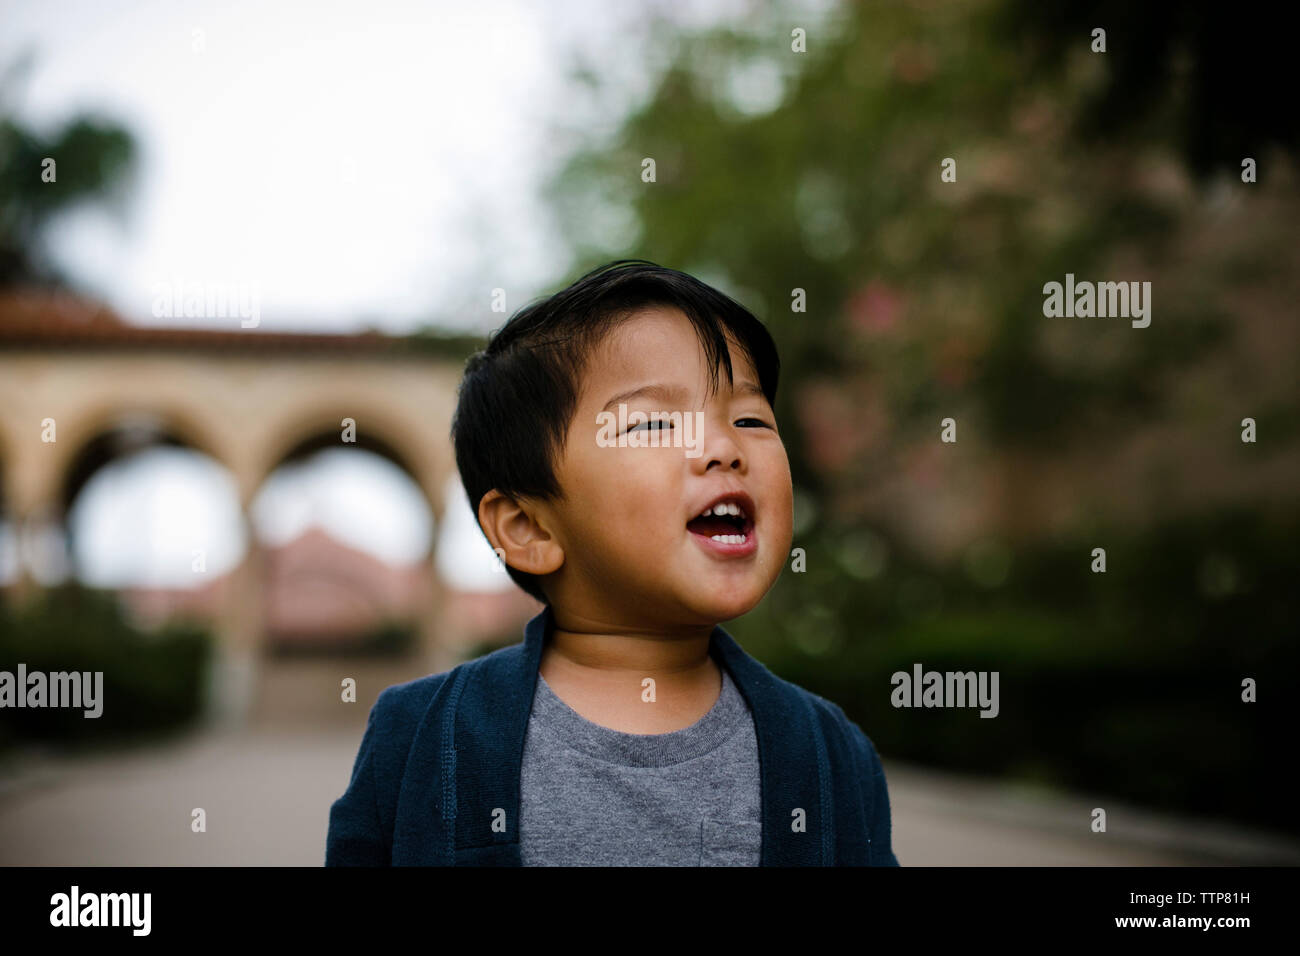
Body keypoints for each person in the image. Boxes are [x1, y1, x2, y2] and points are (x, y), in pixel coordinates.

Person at [326, 259, 898, 866]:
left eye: (751, 419)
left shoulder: (832, 757)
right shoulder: (420, 739)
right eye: (654, 422)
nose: (724, 449)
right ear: (529, 528)